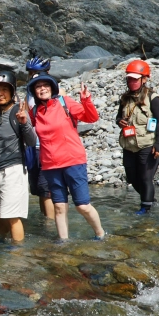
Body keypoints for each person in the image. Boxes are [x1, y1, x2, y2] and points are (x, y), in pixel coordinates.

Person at [28, 72, 106, 241]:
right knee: (59, 207)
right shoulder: (34, 111)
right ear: (34, 92)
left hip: (73, 161)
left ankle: (100, 234)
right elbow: (26, 133)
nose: (42, 89)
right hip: (50, 165)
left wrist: (86, 100)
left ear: (52, 87)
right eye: (38, 87)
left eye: (45, 85)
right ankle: (63, 242)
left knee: (83, 206)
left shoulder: (64, 103)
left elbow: (91, 117)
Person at [0, 70, 37, 243]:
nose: (0, 93)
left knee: (13, 217)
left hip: (13, 170)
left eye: (5, 89)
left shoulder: (18, 111)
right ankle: (2, 248)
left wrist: (24, 123)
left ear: (12, 91)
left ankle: (18, 257)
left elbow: (31, 141)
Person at [117, 60, 159, 215]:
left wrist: (158, 144)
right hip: (129, 144)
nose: (131, 82)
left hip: (147, 144)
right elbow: (118, 117)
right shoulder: (125, 98)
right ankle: (150, 199)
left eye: (135, 79)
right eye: (129, 79)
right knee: (132, 177)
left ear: (144, 79)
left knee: (145, 177)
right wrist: (120, 121)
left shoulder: (153, 98)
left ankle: (146, 208)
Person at [24, 56, 52, 214]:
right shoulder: (29, 92)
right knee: (37, 189)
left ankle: (50, 225)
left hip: (46, 146)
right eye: (31, 73)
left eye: (37, 72)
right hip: (32, 145)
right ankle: (45, 220)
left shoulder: (53, 92)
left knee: (45, 189)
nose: (33, 76)